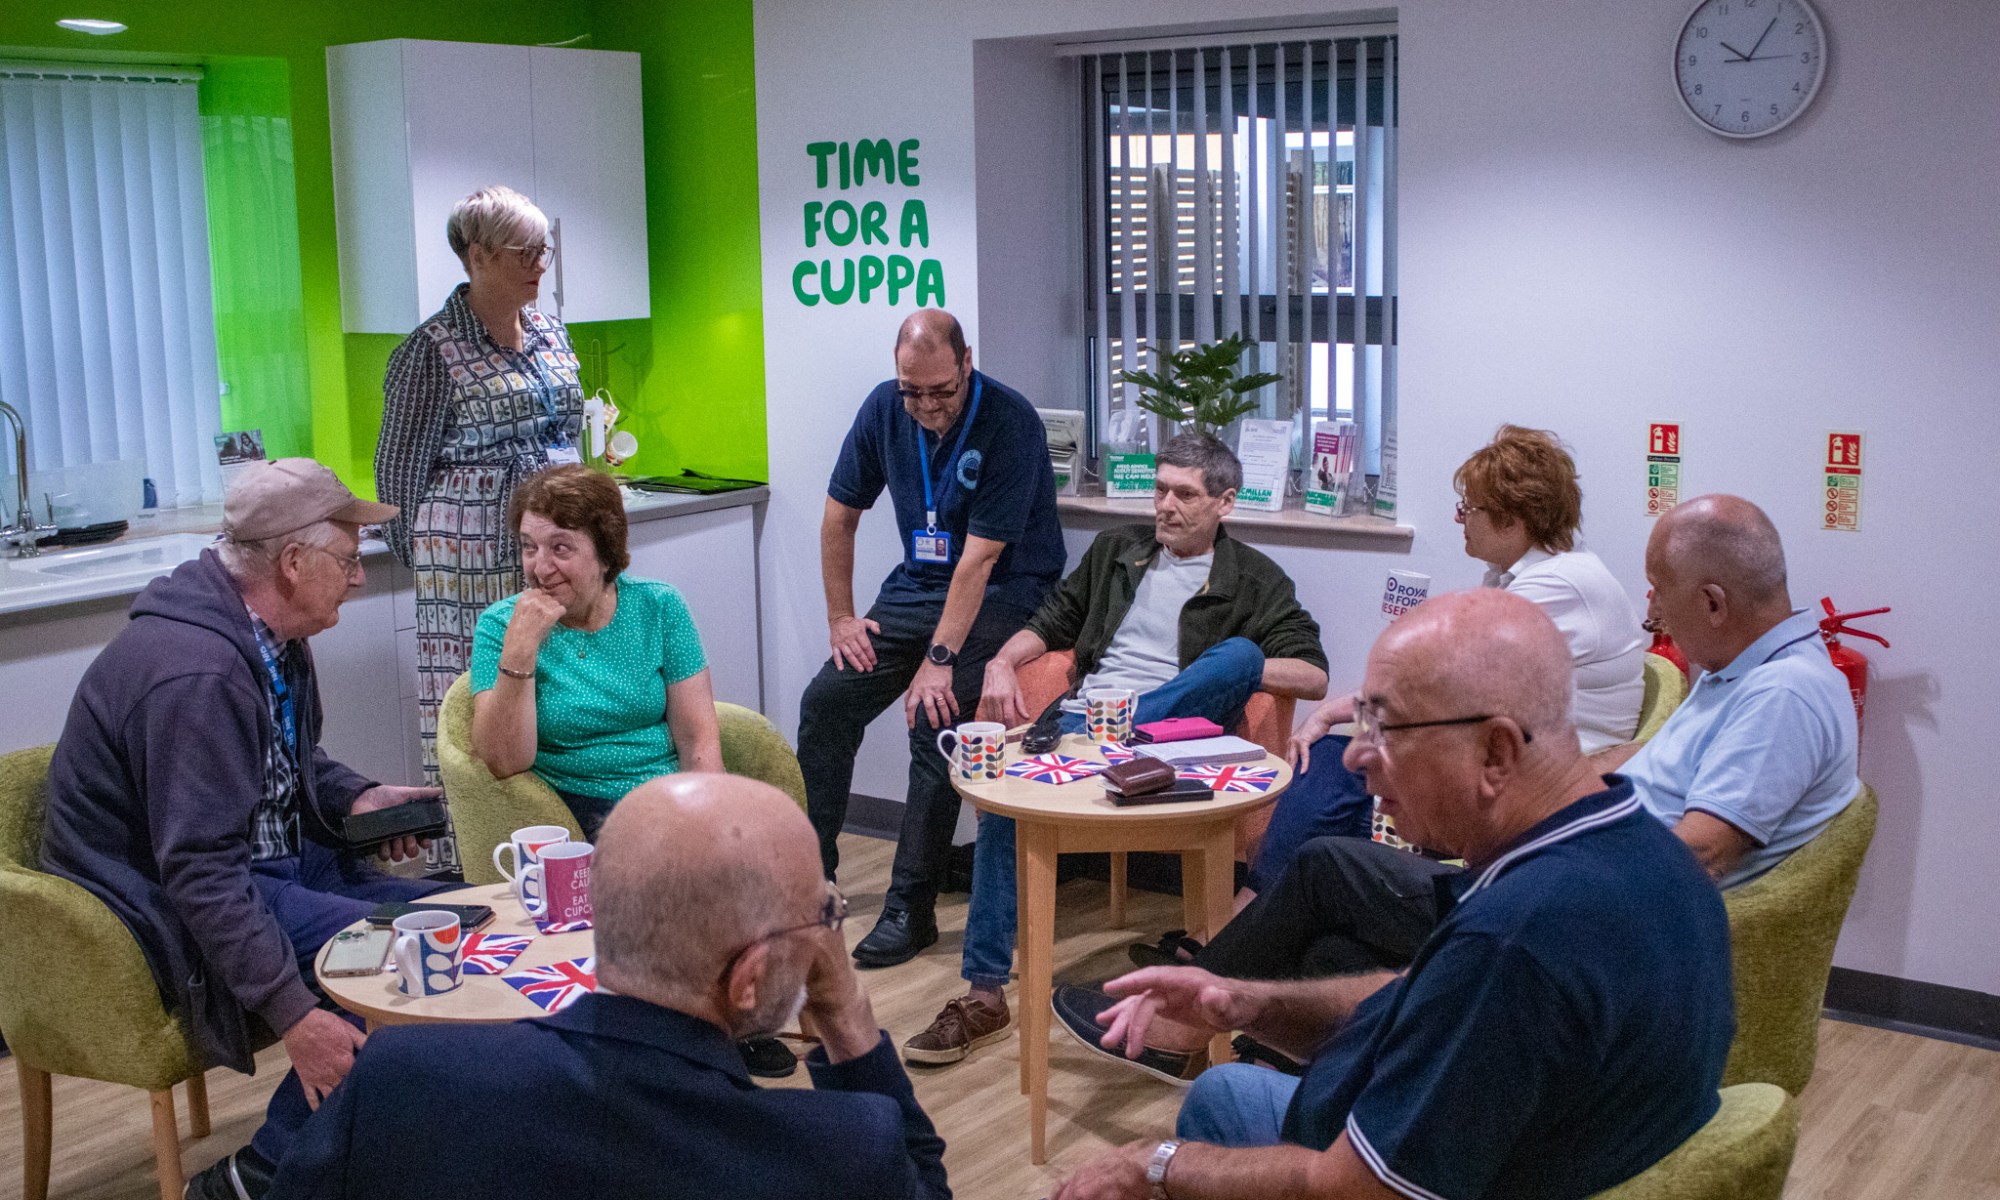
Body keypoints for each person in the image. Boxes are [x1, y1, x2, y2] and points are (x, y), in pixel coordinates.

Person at [1056, 492, 1857, 1082]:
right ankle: (1290, 1079)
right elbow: (1647, 774)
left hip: (1579, 917)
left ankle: (1181, 1032)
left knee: (1330, 867)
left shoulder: (1782, 695)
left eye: (1660, 588)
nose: (1650, 606)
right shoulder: (1737, 678)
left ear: (1714, 601)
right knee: (1329, 928)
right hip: (1574, 887)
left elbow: (1701, 851)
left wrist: (1535, 850)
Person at [1050, 589, 1735, 1200]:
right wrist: (1249, 1003)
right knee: (1225, 1086)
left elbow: (1353, 1189)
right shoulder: (1637, 847)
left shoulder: (1514, 943)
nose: (1355, 754)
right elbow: (1423, 992)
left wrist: (1154, 1166)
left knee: (1200, 1127)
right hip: (1541, 1146)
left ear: (1496, 753)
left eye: (1387, 727)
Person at [38, 459, 451, 1200]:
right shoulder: (196, 674)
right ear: (292, 564)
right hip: (169, 902)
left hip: (269, 861)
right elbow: (198, 871)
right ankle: (258, 1174)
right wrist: (294, 1016)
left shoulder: (267, 636)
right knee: (411, 955)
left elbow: (285, 762)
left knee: (455, 910)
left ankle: (375, 1143)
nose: (359, 579)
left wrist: (356, 798)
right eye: (349, 561)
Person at [266, 773, 952, 1200]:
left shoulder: (400, 1075)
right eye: (822, 917)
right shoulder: (842, 1151)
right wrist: (844, 1013)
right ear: (747, 980)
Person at [900, 433, 1328, 1067]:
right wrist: (999, 662)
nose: (1166, 506)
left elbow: (1313, 675)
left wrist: (1237, 672)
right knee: (1003, 804)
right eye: (1159, 490)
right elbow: (1051, 622)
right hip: (1080, 720)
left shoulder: (1253, 579)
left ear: (1225, 503)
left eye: (1184, 494)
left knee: (1240, 655)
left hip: (1165, 740)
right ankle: (985, 994)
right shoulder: (1115, 551)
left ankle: (1116, 734)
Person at [1247, 424, 1643, 907]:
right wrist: (1346, 714)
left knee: (1337, 765)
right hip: (1509, 746)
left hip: (1538, 770)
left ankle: (1252, 914)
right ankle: (1278, 919)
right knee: (1341, 775)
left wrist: (1342, 715)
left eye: (1470, 508)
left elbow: (1453, 686)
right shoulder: (1530, 575)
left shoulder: (1558, 585)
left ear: (1512, 516)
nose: (1460, 520)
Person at [799, 309, 1065, 969]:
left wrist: (939, 662)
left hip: (1008, 589)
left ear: (966, 363)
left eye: (940, 391)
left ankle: (909, 909)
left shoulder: (1008, 420)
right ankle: (811, 877)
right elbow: (838, 516)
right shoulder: (885, 409)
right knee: (826, 700)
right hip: (918, 586)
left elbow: (978, 562)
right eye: (911, 392)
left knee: (932, 718)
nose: (925, 407)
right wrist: (841, 617)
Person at [375, 185, 585, 859]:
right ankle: (478, 855)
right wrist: (436, 558)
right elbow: (397, 474)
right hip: (469, 562)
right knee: (480, 700)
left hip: (553, 542)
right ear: (477, 256)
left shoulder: (550, 332)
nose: (539, 262)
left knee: (555, 689)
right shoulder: (429, 352)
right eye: (523, 251)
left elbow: (569, 432)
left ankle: (562, 841)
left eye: (542, 248)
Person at [469, 464, 723, 842]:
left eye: (560, 548)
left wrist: (709, 817)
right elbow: (503, 761)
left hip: (664, 796)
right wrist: (520, 651)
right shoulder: (500, 625)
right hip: (572, 811)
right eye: (529, 547)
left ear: (605, 553)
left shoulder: (659, 605)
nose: (540, 568)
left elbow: (697, 739)